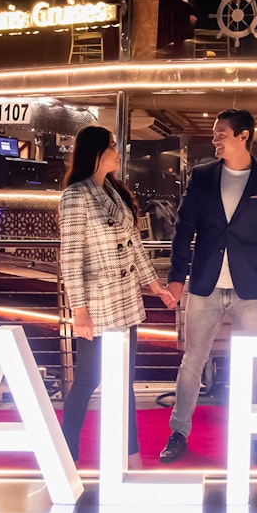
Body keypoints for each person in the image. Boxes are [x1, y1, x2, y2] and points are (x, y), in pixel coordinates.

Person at [159, 108, 257, 466]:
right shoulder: (201, 176)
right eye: (214, 133)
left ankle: (255, 437)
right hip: (205, 284)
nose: (214, 139)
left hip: (251, 289)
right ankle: (178, 433)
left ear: (243, 136)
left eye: (221, 134)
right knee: (192, 361)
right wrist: (176, 277)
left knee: (255, 365)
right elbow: (183, 230)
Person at [58, 125, 177, 469]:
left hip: (126, 301)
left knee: (124, 380)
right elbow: (71, 258)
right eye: (112, 146)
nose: (118, 152)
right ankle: (66, 454)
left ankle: (130, 454)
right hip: (97, 304)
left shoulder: (113, 191)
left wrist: (154, 285)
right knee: (87, 380)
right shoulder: (76, 196)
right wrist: (79, 310)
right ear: (96, 153)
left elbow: (134, 245)